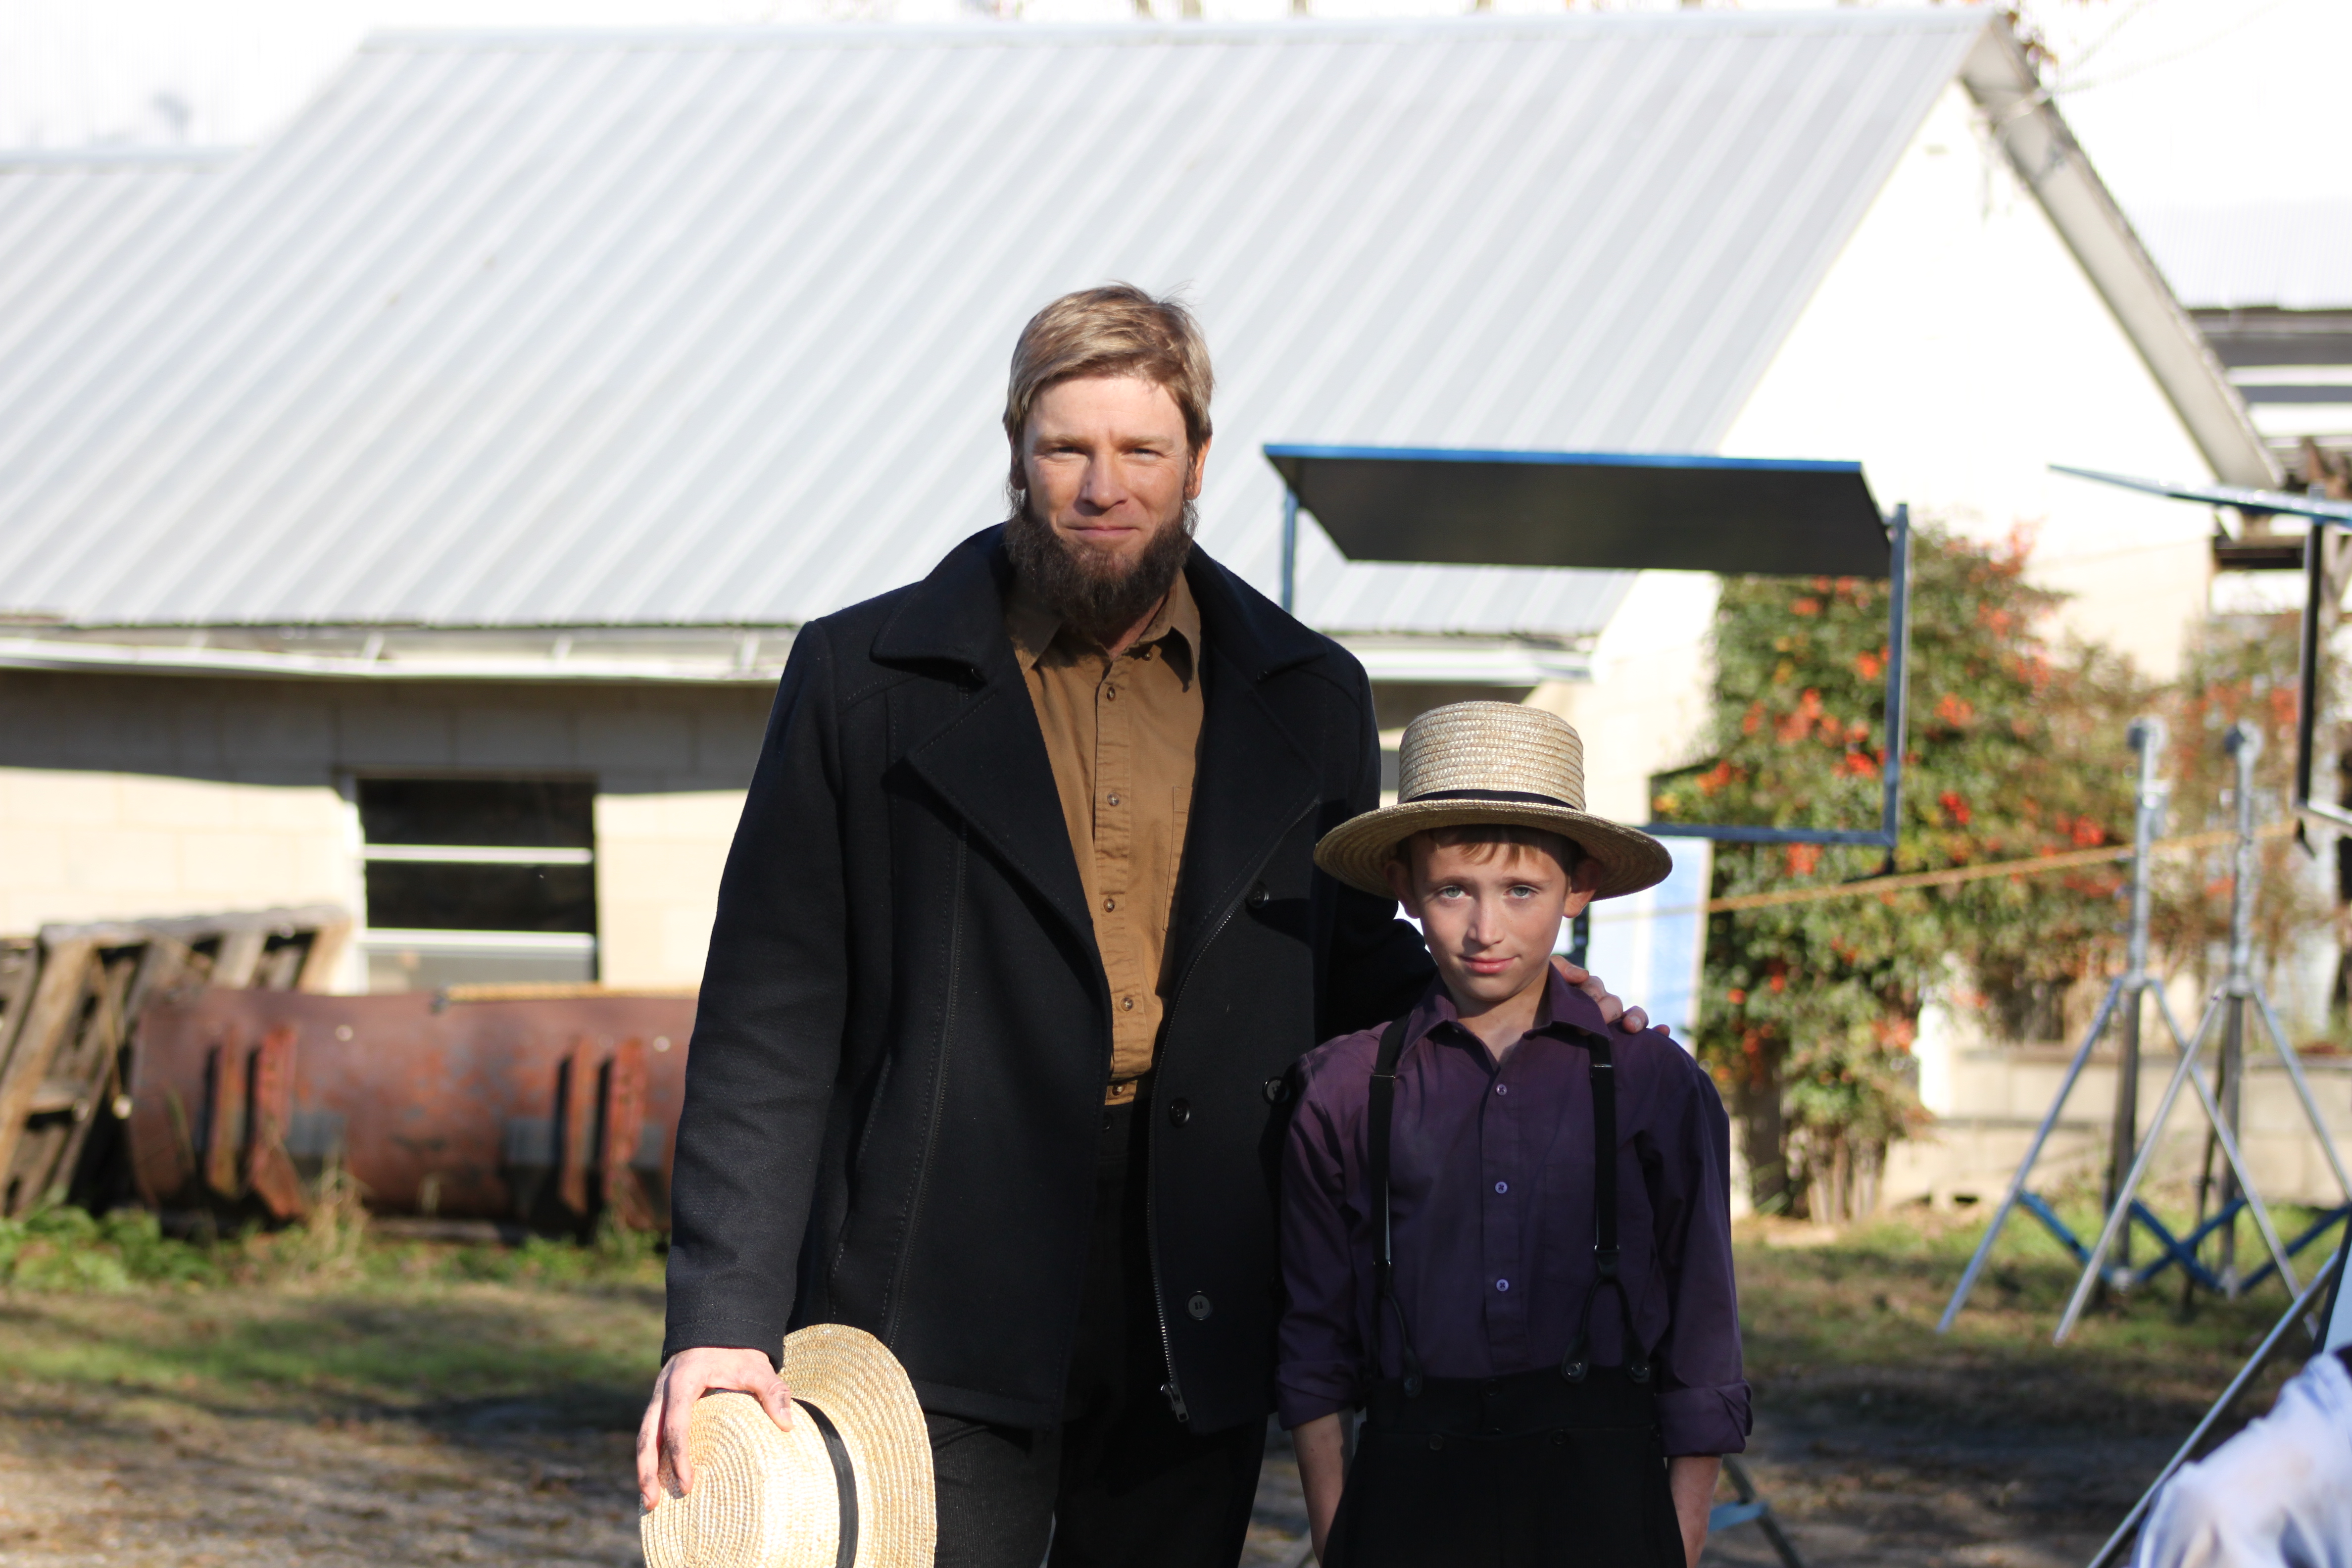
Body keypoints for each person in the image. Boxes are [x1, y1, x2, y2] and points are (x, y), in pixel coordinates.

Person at [636, 284, 1653, 1568]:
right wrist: (721, 1317)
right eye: (1066, 447)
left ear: (1198, 464)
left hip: (1203, 1274)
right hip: (932, 1291)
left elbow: (1344, 966)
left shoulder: (1308, 695)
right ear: (1015, 452)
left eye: (1141, 452)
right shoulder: (861, 682)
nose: (1102, 485)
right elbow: (768, 1020)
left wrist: (1529, 1015)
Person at [1280, 701, 1749, 1568]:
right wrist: (1337, 1531)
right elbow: (1314, 1344)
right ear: (1404, 889)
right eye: (1454, 889)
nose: (1485, 929)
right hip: (1408, 1493)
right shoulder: (1342, 1090)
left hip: (1604, 1497)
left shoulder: (1654, 1080)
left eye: (1521, 892)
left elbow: (1704, 1329)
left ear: (1579, 890)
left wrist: (1680, 1532)